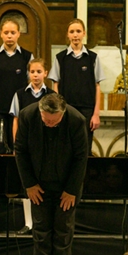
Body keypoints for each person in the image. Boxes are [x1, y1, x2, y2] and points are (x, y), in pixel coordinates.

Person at [15, 93, 88, 255]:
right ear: (40, 112)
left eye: (54, 122)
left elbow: (81, 157)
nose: (49, 124)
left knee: (63, 233)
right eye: (46, 120)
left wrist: (71, 190)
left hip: (67, 187)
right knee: (41, 233)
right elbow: (20, 151)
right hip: (38, 186)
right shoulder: (27, 116)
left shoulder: (76, 120)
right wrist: (29, 184)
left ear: (62, 114)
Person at [10, 58, 55, 234]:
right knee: (28, 183)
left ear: (45, 73)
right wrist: (17, 143)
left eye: (39, 72)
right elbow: (15, 120)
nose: (35, 75)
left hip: (46, 146)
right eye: (32, 72)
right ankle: (29, 223)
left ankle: (43, 223)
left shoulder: (51, 95)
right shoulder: (20, 94)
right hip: (26, 145)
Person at [48, 19, 105, 154]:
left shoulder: (92, 58)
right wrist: (58, 109)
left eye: (78, 31)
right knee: (64, 147)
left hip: (87, 109)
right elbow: (56, 84)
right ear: (67, 35)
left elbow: (97, 87)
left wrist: (96, 114)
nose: (75, 35)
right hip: (66, 109)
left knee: (84, 148)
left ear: (84, 33)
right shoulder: (60, 58)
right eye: (72, 32)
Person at [0, 17, 33, 153]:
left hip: (19, 110)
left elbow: (31, 83)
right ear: (1, 34)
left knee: (17, 146)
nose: (9, 35)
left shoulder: (27, 57)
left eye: (13, 32)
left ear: (18, 34)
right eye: (6, 32)